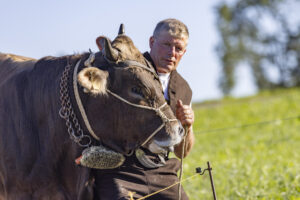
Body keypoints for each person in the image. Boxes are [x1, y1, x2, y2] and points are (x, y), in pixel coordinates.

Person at [94, 19, 195, 200]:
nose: (172, 53)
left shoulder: (183, 89)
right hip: (120, 168)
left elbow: (181, 152)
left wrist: (188, 125)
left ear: (184, 52)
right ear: (151, 42)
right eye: (166, 44)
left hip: (162, 170)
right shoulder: (127, 69)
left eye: (178, 48)